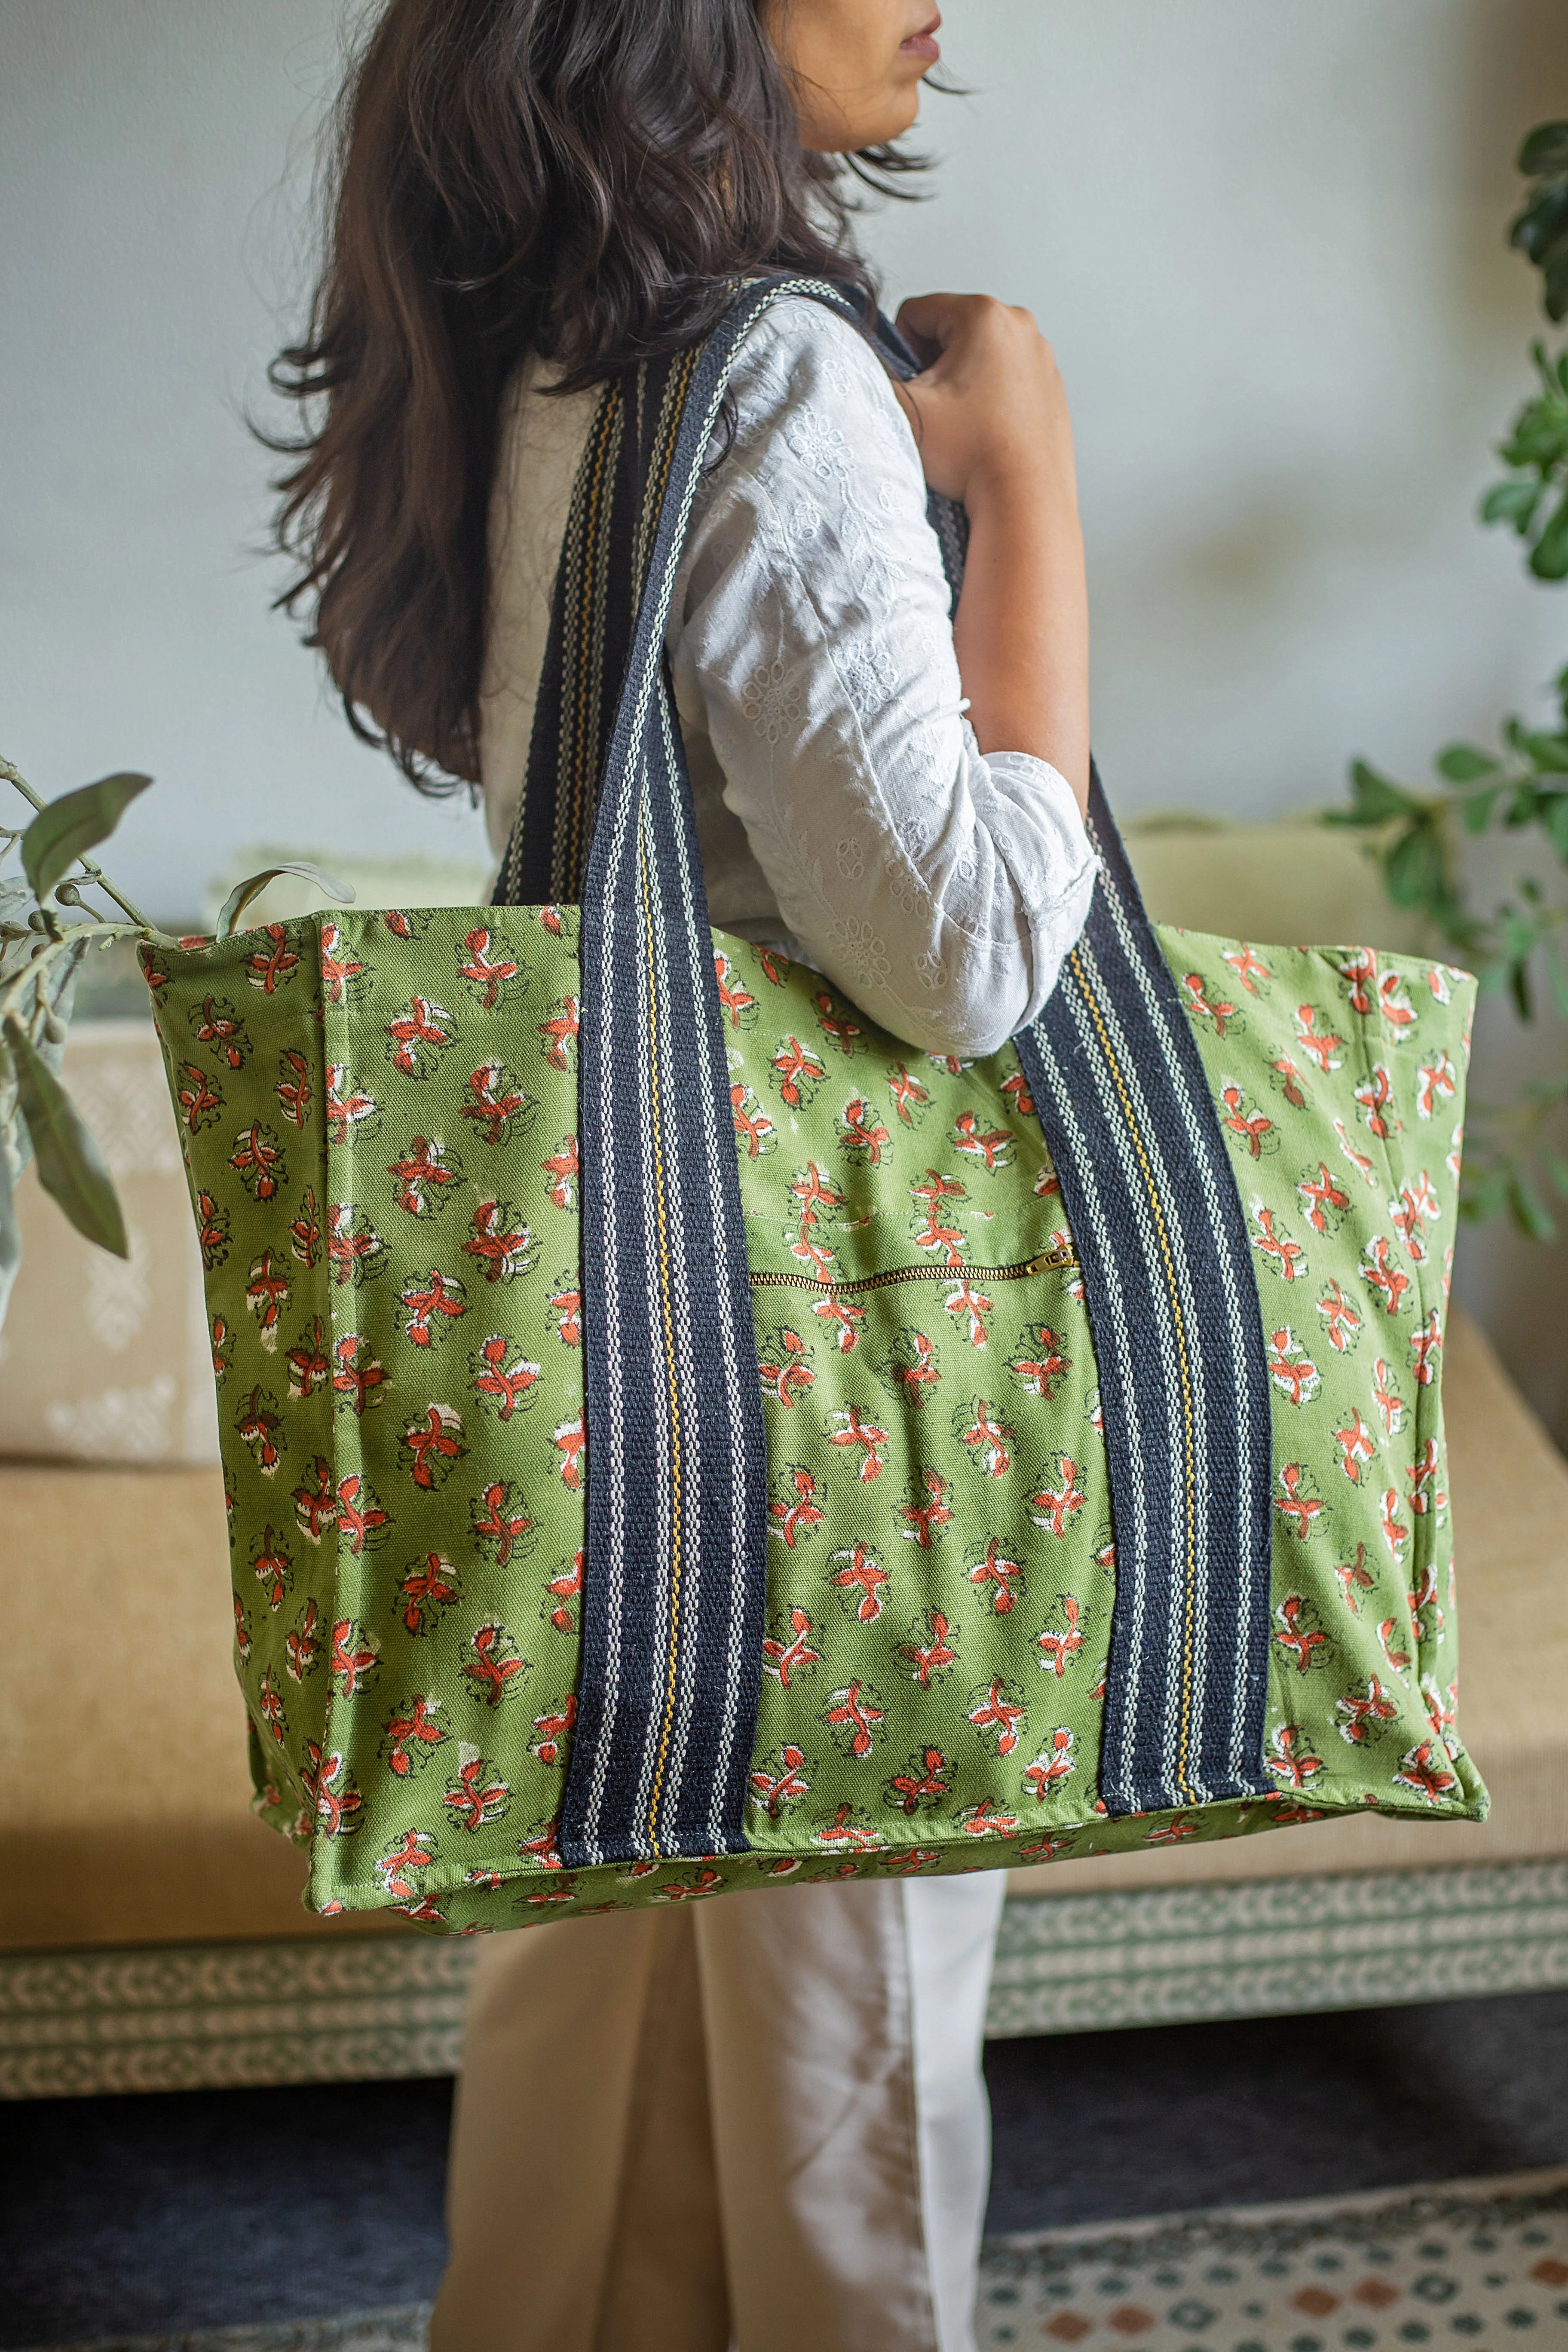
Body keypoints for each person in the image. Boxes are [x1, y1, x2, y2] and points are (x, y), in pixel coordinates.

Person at [270, 4, 1095, 2345]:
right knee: (852, 2090)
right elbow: (969, 950)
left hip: (614, 1354)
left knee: (599, 2067)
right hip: (831, 1386)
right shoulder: (776, 370)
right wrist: (1029, 474)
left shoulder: (562, 344)